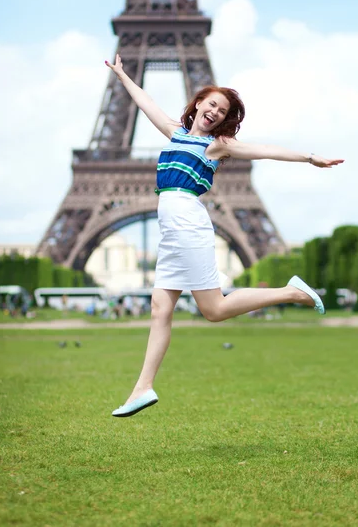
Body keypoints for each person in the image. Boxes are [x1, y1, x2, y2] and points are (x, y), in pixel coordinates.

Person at [105, 54, 344, 418]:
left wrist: (309, 157)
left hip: (188, 221)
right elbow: (145, 102)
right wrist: (122, 75)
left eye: (222, 110)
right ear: (198, 103)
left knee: (213, 308)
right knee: (160, 308)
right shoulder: (175, 132)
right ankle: (143, 388)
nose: (215, 111)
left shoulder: (217, 146)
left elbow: (264, 150)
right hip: (170, 229)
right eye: (211, 103)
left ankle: (291, 292)